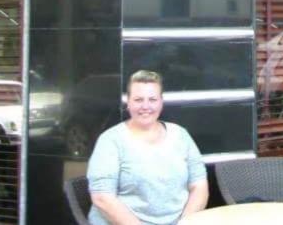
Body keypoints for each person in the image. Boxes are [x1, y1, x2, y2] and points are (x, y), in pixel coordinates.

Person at [87, 70, 208, 225]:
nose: (146, 106)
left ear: (161, 102)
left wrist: (185, 223)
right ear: (128, 102)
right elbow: (102, 197)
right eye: (138, 99)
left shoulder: (180, 135)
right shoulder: (111, 141)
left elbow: (199, 185)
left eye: (152, 99)